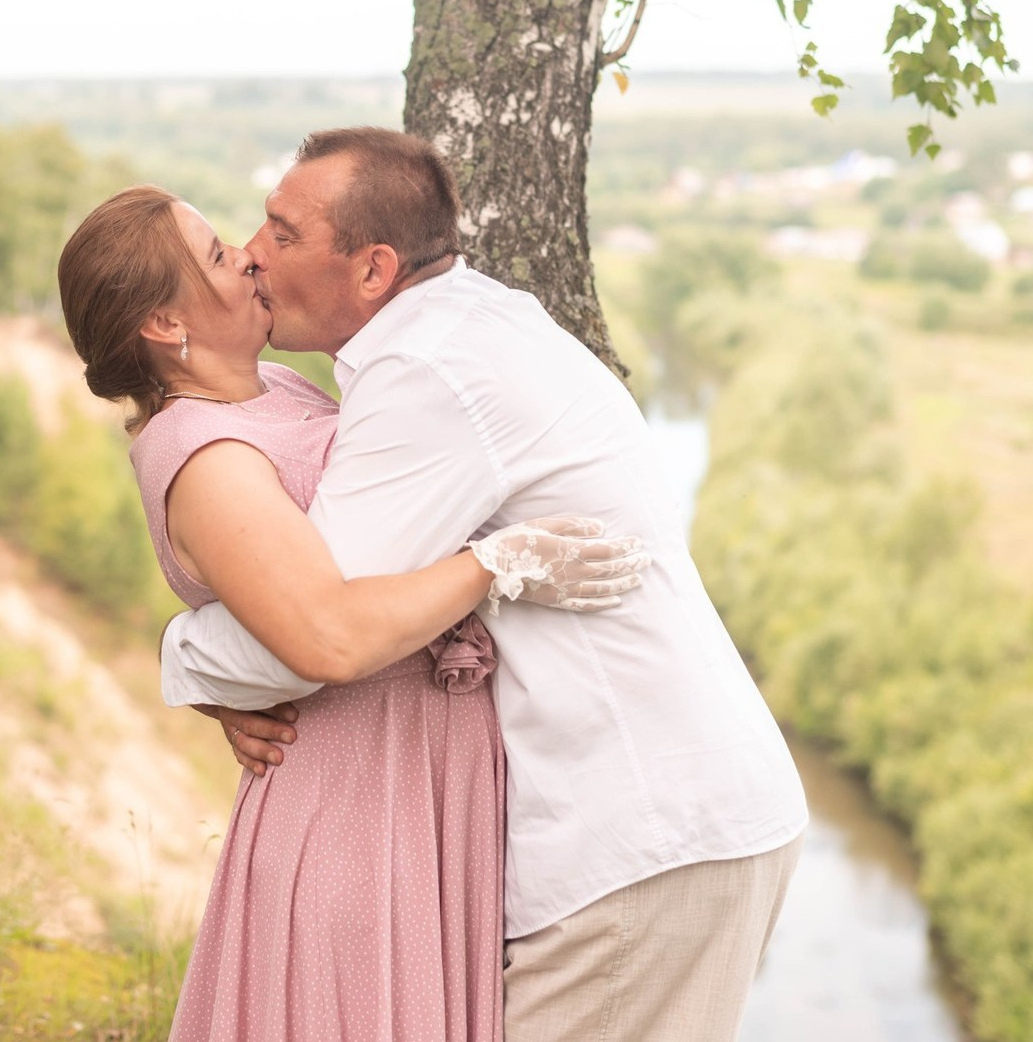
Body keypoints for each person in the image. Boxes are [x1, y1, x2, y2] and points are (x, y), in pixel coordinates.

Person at [162, 127, 810, 1042]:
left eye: (283, 232)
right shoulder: (476, 322)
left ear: (375, 269)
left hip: (642, 838)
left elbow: (319, 636)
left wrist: (187, 657)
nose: (256, 255)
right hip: (678, 815)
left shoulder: (426, 375)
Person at [57, 184, 651, 1042]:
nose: (249, 256)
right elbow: (326, 635)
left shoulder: (271, 391)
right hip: (358, 803)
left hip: (422, 778)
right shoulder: (207, 458)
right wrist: (492, 564)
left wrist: (202, 666)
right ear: (164, 325)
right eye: (219, 255)